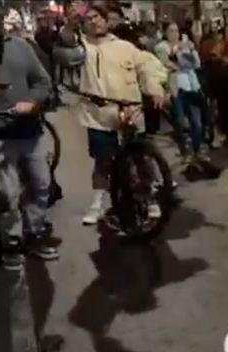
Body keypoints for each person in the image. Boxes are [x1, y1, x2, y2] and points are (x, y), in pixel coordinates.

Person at [0, 14, 57, 269]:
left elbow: (43, 82)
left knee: (42, 184)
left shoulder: (21, 47)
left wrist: (32, 102)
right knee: (7, 194)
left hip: (29, 131)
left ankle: (34, 233)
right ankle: (11, 241)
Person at [78, 3, 166, 225]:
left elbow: (149, 67)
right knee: (102, 161)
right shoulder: (82, 47)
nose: (94, 21)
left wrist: (155, 89)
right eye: (89, 18)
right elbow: (65, 45)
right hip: (98, 114)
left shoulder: (125, 47)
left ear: (106, 20)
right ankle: (98, 202)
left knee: (139, 157)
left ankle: (148, 197)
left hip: (130, 110)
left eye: (97, 17)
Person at [156, 22, 205, 161]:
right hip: (176, 89)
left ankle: (197, 150)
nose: (174, 34)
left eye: (176, 31)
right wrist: (180, 52)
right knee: (180, 122)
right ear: (165, 33)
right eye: (171, 31)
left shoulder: (187, 45)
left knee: (197, 122)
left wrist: (190, 51)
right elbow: (167, 64)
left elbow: (196, 64)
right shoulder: (161, 47)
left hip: (192, 87)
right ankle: (184, 150)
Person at [200, 24, 228, 147]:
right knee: (213, 110)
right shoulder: (206, 44)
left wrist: (222, 58)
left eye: (220, 32)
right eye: (215, 32)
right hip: (212, 82)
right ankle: (216, 134)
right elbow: (204, 59)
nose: (218, 35)